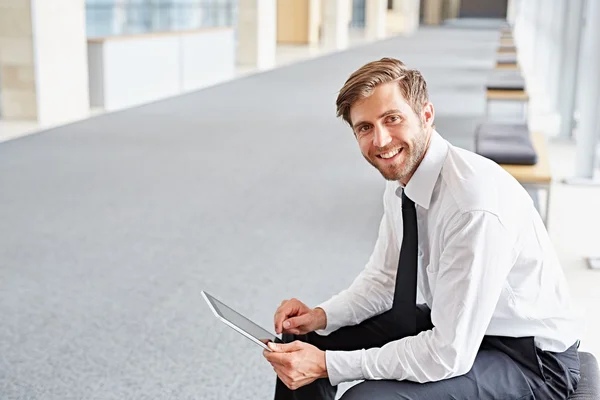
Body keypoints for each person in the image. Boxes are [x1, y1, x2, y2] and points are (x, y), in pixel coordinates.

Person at [262, 58, 581, 399]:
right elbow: (385, 281)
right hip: (461, 320)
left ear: (426, 115)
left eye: (392, 119)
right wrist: (320, 317)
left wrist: (330, 364)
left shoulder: (472, 205)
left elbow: (448, 353)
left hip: (530, 359)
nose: (381, 140)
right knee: (302, 343)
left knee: (365, 398)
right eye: (365, 127)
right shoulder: (403, 176)